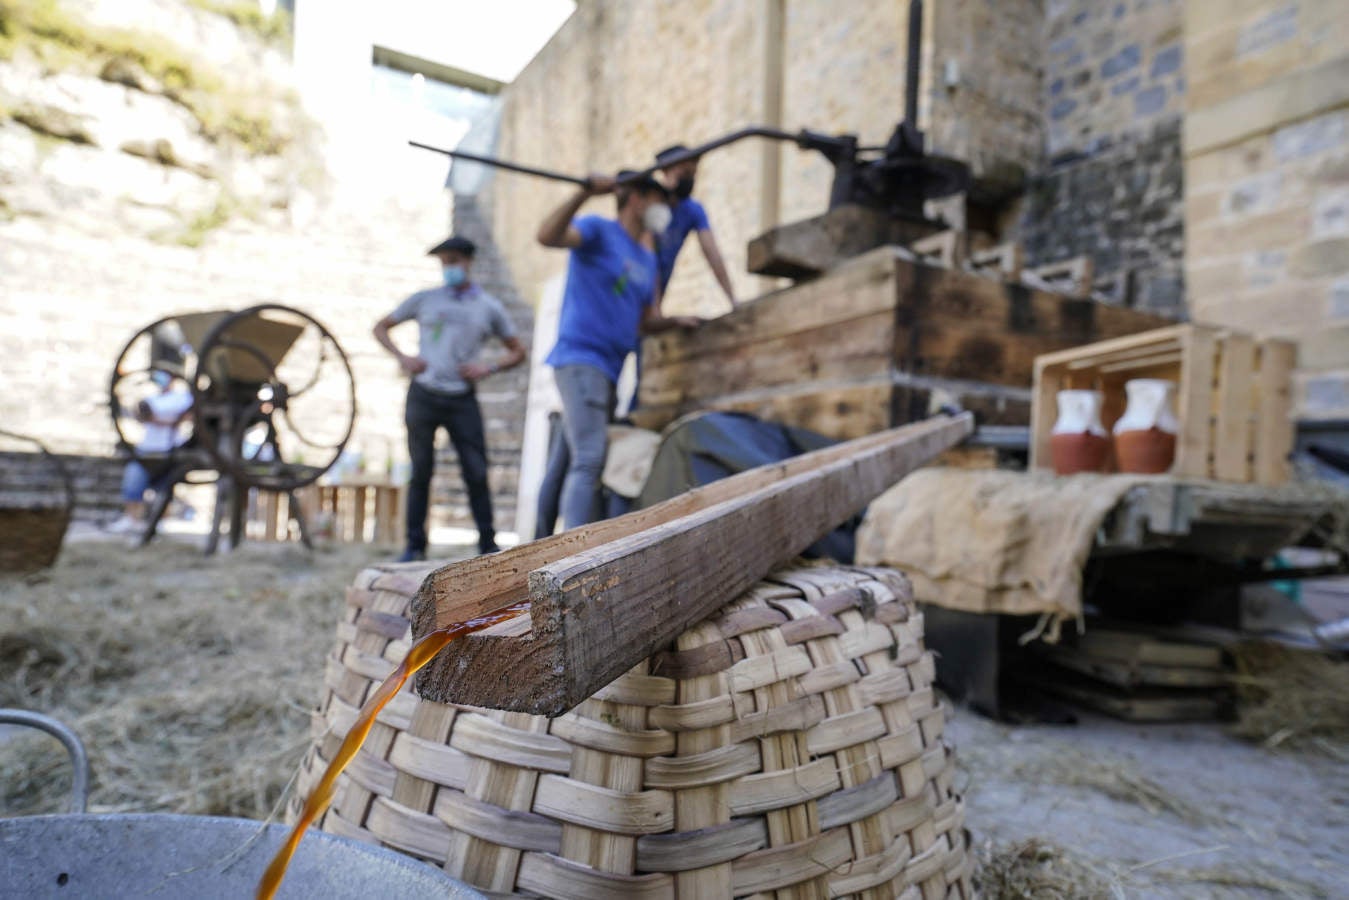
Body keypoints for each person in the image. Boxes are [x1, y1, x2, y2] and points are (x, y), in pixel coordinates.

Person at [535, 171, 700, 532]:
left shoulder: (647, 258)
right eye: (658, 201)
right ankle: (575, 553)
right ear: (636, 199)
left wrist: (676, 321)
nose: (664, 210)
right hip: (581, 359)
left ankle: (537, 541)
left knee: (568, 457)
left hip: (611, 369)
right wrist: (582, 193)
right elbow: (547, 236)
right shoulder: (598, 231)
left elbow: (645, 321)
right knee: (590, 458)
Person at [373, 235, 527, 561]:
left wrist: (488, 367)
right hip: (423, 395)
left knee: (476, 471)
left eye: (454, 261)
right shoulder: (425, 300)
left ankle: (487, 545)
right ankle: (415, 547)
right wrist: (403, 357)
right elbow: (381, 327)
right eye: (444, 262)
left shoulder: (488, 307)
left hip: (462, 399)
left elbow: (517, 351)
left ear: (468, 262)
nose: (449, 268)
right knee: (421, 471)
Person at [107, 365, 194, 533]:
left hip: (169, 448)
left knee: (164, 487)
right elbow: (141, 415)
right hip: (147, 448)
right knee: (133, 483)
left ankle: (160, 521)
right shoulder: (152, 397)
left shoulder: (182, 398)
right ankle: (131, 518)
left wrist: (158, 419)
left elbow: (185, 416)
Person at [653, 144, 737, 308]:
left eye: (693, 174)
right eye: (685, 174)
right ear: (666, 171)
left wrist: (732, 299)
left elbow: (712, 253)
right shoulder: (650, 205)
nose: (690, 180)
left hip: (656, 299)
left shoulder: (692, 210)